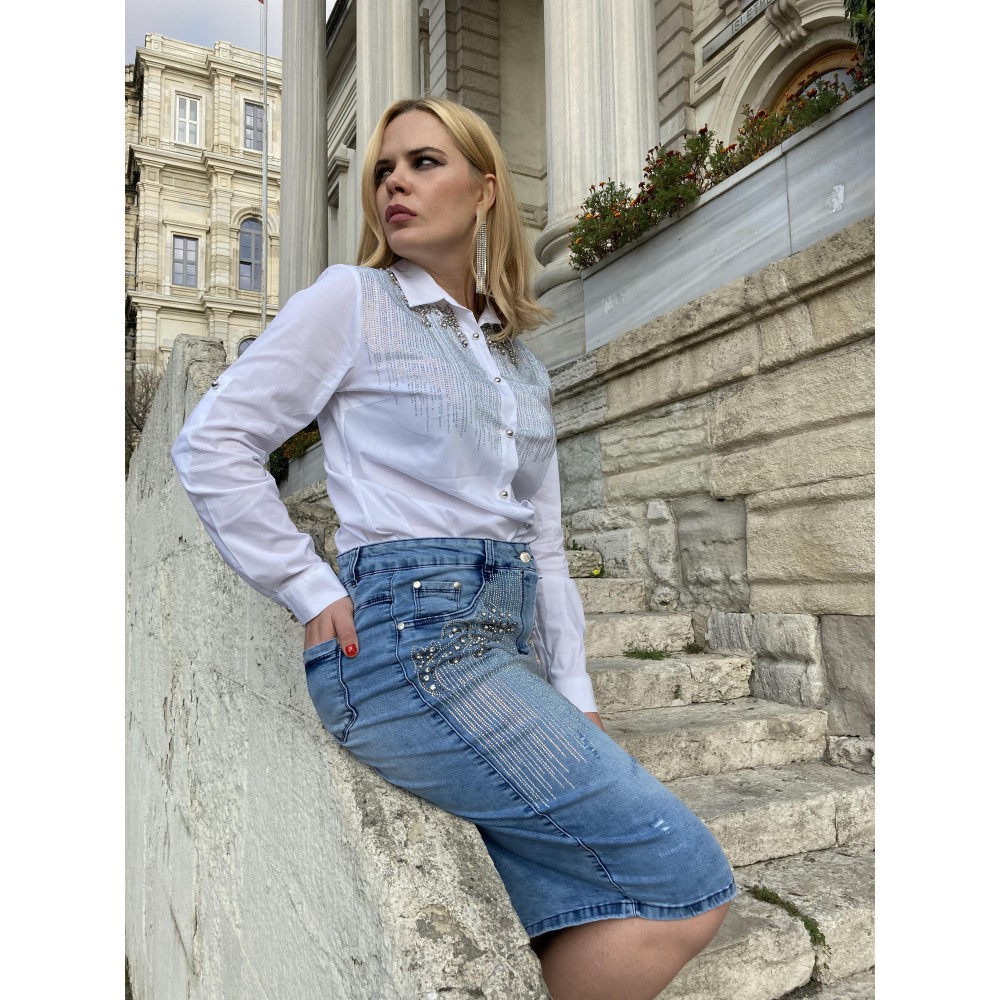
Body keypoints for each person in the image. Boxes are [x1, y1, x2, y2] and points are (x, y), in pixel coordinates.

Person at [172, 96, 735, 1000]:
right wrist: (307, 584)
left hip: (499, 643)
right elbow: (211, 442)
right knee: (686, 879)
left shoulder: (518, 363)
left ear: (485, 189)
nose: (393, 182)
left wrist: (576, 691)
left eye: (424, 162)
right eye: (383, 170)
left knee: (596, 903)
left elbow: (543, 541)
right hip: (405, 646)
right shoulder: (353, 300)